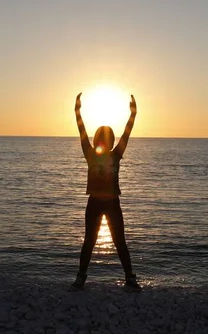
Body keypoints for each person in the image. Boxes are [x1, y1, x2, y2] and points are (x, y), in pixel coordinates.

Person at [71, 92, 141, 291]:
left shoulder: (116, 154)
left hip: (112, 204)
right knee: (89, 242)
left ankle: (130, 277)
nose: (104, 140)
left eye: (107, 137)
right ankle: (81, 278)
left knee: (120, 242)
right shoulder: (89, 153)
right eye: (102, 137)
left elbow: (127, 132)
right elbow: (81, 130)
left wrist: (133, 114)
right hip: (94, 203)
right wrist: (77, 111)